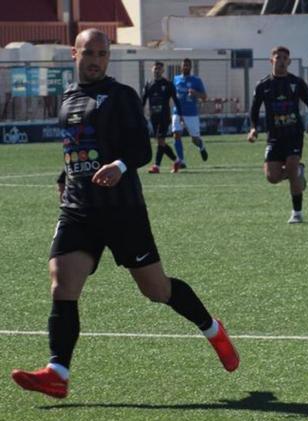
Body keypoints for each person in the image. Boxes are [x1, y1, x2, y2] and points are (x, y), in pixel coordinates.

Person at [10, 29, 240, 400]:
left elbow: (141, 149)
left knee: (156, 289)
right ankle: (58, 371)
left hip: (123, 211)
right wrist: (62, 179)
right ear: (75, 53)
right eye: (90, 52)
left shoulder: (121, 96)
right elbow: (75, 149)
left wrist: (118, 165)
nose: (97, 59)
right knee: (62, 282)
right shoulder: (67, 99)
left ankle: (212, 329)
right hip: (79, 209)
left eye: (103, 53)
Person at [247, 46, 308, 224]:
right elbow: (254, 109)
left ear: (289, 62)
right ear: (271, 60)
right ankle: (297, 171)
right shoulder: (263, 85)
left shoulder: (296, 83)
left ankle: (297, 212)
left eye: (284, 58)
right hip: (274, 137)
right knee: (272, 177)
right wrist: (253, 128)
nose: (281, 60)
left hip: (293, 134)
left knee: (292, 169)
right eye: (277, 57)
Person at [142, 61, 182, 173]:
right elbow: (143, 100)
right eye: (155, 68)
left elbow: (176, 100)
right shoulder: (149, 84)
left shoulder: (168, 84)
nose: (157, 70)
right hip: (153, 117)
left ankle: (156, 166)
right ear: (152, 69)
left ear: (163, 71)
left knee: (160, 141)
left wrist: (180, 115)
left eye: (159, 69)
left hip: (164, 117)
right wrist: (140, 114)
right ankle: (177, 160)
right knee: (161, 142)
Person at [171, 58, 209, 172]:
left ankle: (201, 146)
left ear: (190, 67)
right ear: (181, 66)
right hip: (177, 112)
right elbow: (173, 94)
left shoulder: (196, 80)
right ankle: (181, 160)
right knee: (176, 134)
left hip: (191, 113)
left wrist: (195, 93)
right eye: (184, 65)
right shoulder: (176, 79)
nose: (186, 67)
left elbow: (204, 97)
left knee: (194, 139)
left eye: (188, 65)